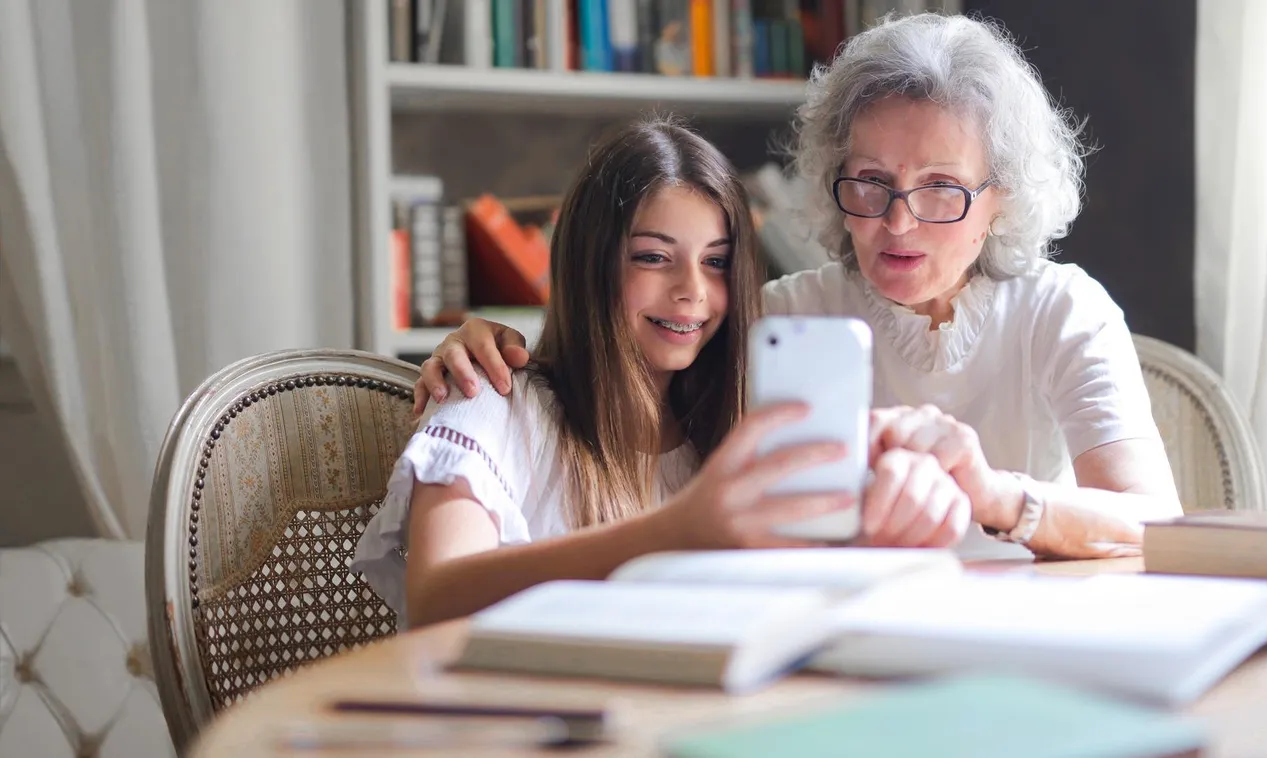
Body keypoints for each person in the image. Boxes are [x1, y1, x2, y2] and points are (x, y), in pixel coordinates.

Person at [410, 14, 1184, 561]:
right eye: (870, 182)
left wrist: (993, 495)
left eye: (941, 189)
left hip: (1029, 640)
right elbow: (621, 378)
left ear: (1001, 197)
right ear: (830, 176)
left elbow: (1154, 523)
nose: (898, 223)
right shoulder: (777, 319)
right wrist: (488, 346)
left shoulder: (1061, 308)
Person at [352, 119, 970, 630]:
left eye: (717, 263)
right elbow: (435, 599)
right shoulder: (492, 399)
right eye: (653, 258)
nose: (692, 293)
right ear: (591, 263)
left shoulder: (732, 431)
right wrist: (675, 531)